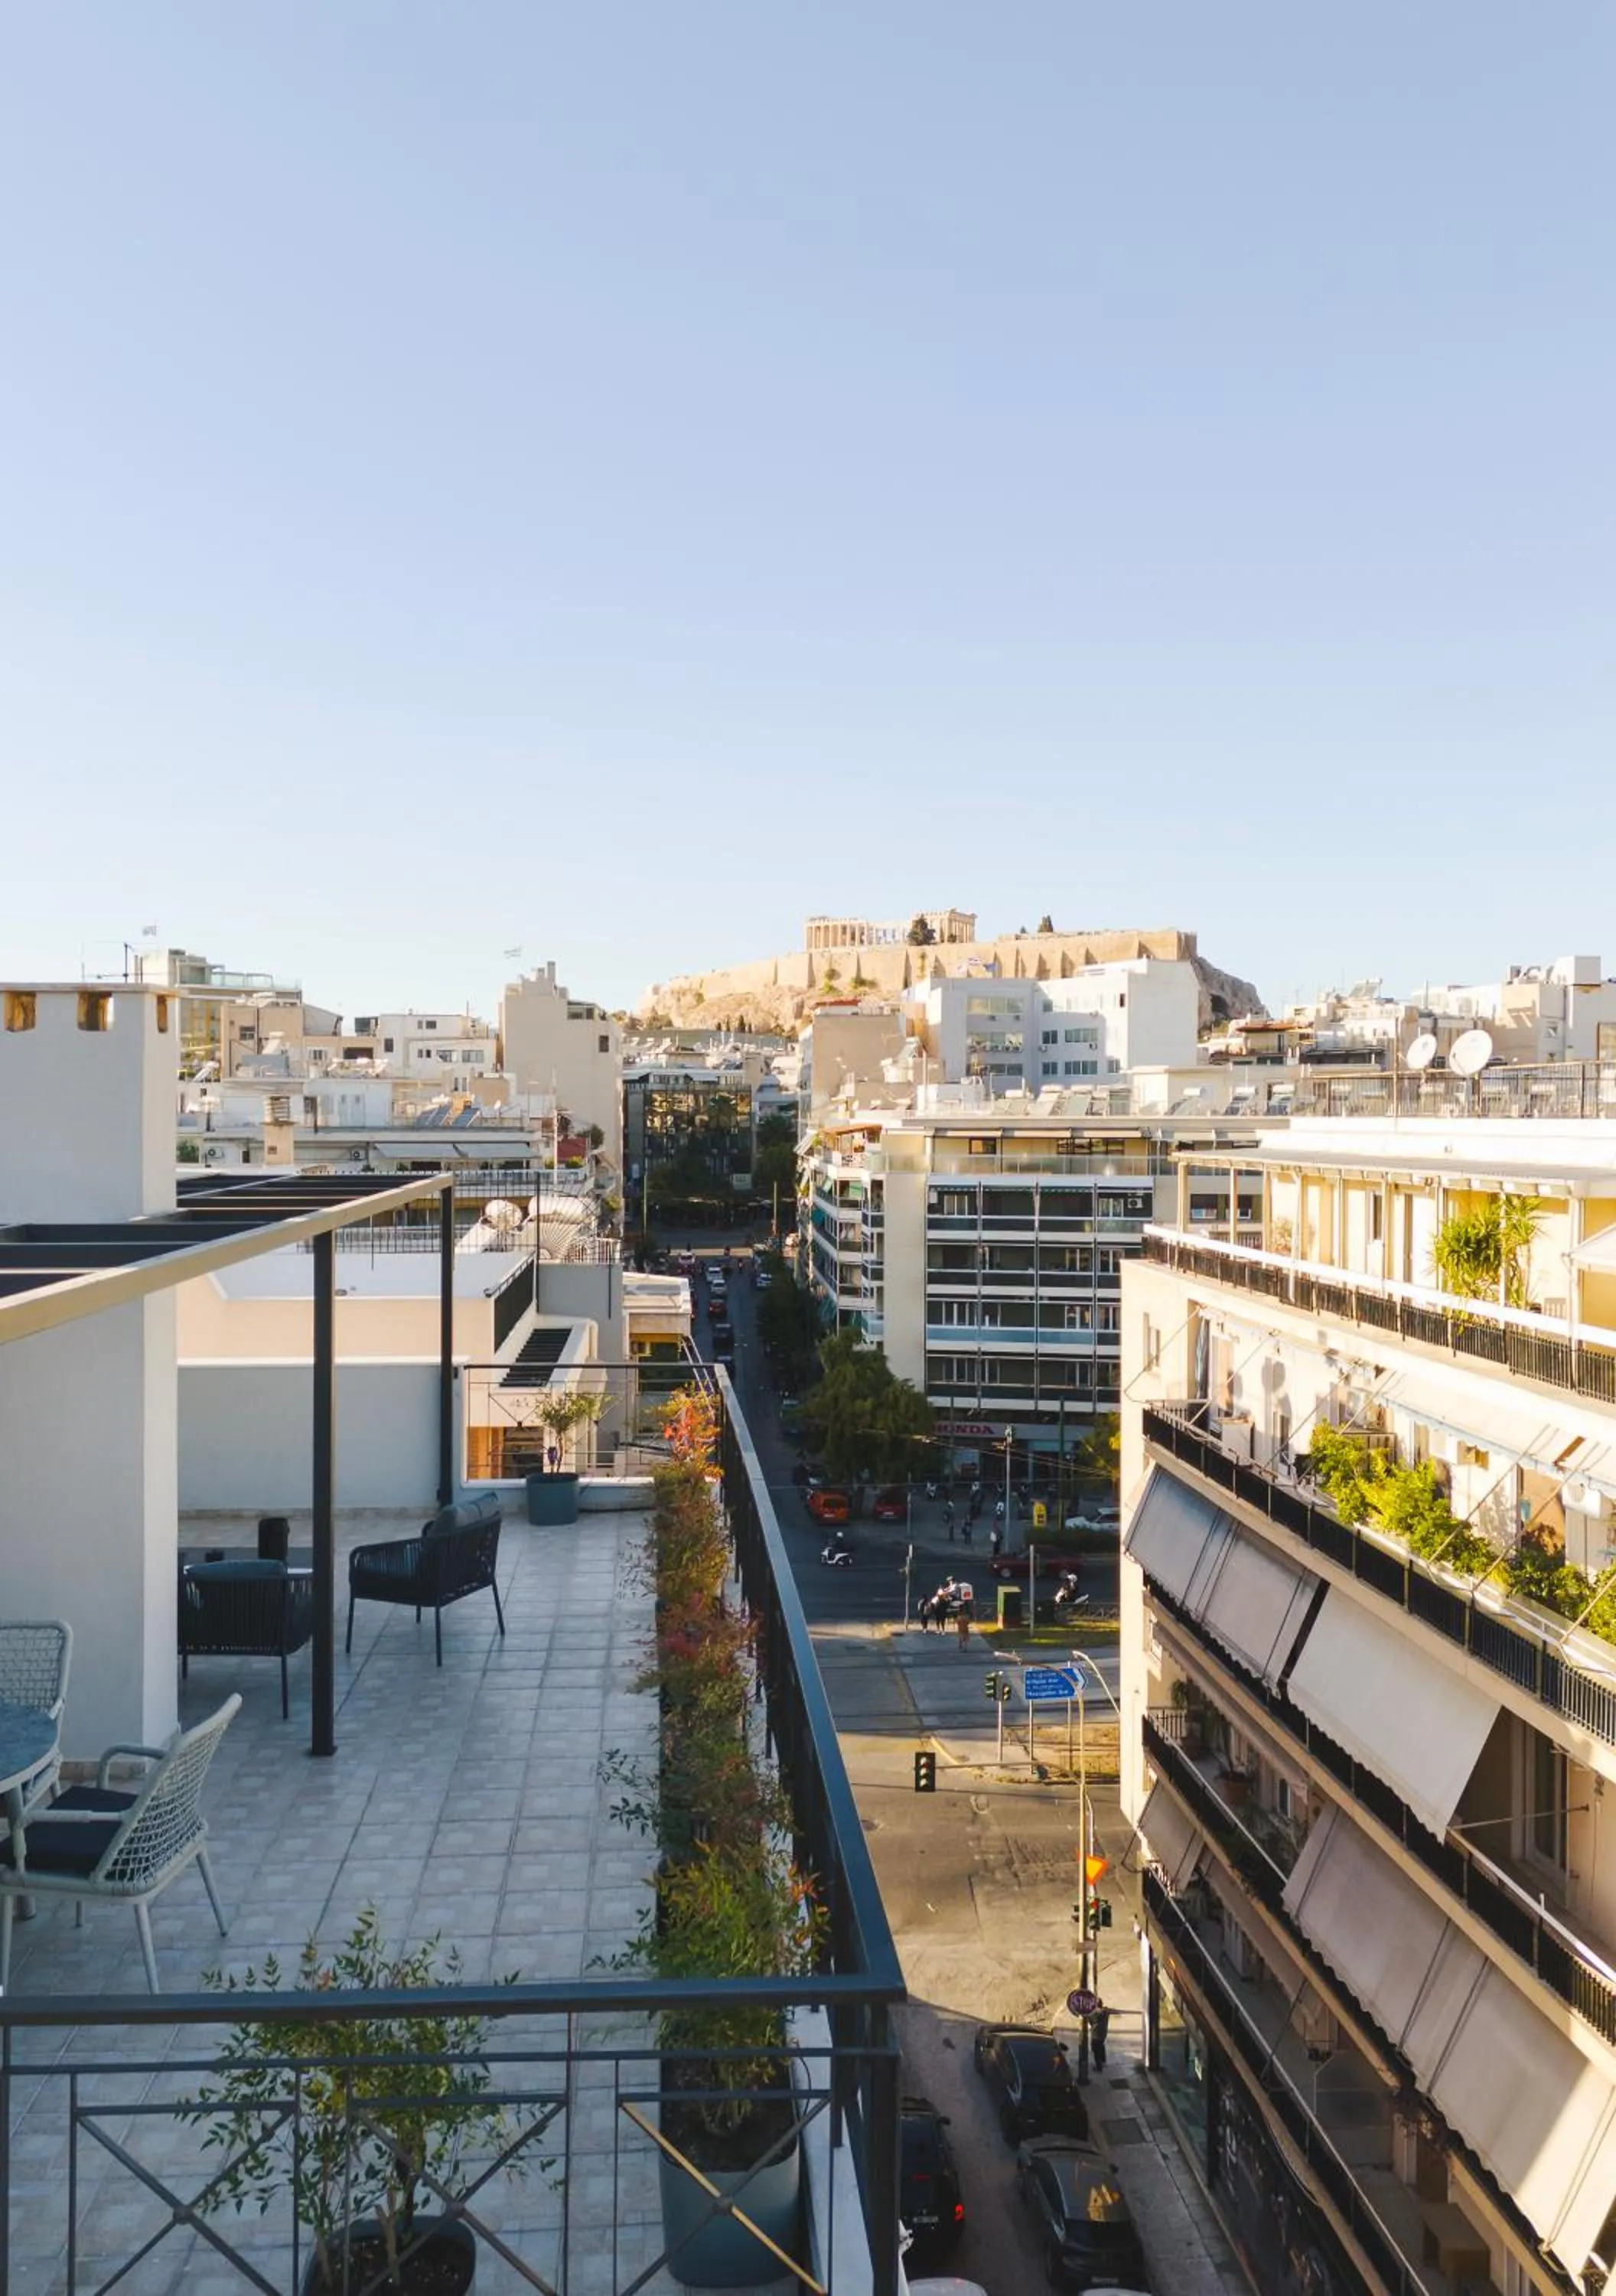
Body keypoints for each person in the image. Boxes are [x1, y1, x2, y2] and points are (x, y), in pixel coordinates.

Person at [1090, 2004, 1111, 2069]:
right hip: (1103, 2033)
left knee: (1096, 2050)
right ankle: (1103, 2061)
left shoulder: (1095, 2013)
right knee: (1101, 2047)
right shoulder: (1105, 2013)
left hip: (1096, 2034)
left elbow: (1091, 2021)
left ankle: (1099, 2066)